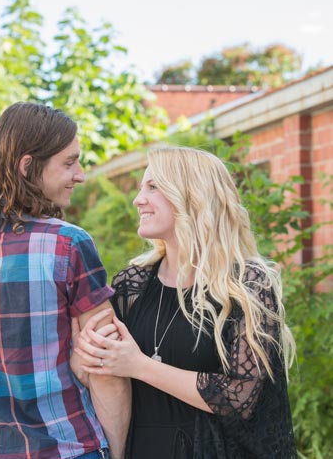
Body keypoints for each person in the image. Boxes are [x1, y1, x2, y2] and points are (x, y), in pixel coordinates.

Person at [0, 102, 130, 459]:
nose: (80, 174)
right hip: (65, 449)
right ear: (28, 167)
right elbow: (106, 369)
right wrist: (116, 453)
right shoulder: (68, 244)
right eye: (69, 162)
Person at [73, 146, 298, 458]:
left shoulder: (246, 285)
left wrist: (139, 365)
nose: (139, 199)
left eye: (153, 187)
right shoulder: (132, 283)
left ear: (192, 196)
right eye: (141, 188)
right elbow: (103, 375)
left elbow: (240, 396)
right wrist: (88, 358)